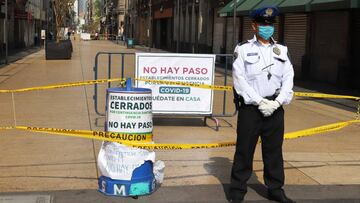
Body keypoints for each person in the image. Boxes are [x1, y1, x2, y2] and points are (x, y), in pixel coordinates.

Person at [230, 6, 295, 203]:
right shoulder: (242, 49)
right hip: (251, 108)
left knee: (274, 151)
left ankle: (275, 188)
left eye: (270, 24)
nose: (267, 27)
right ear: (254, 26)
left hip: (275, 108)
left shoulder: (282, 49)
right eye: (263, 24)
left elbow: (289, 78)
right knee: (244, 149)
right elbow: (239, 80)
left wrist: (276, 102)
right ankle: (237, 189)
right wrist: (259, 101)